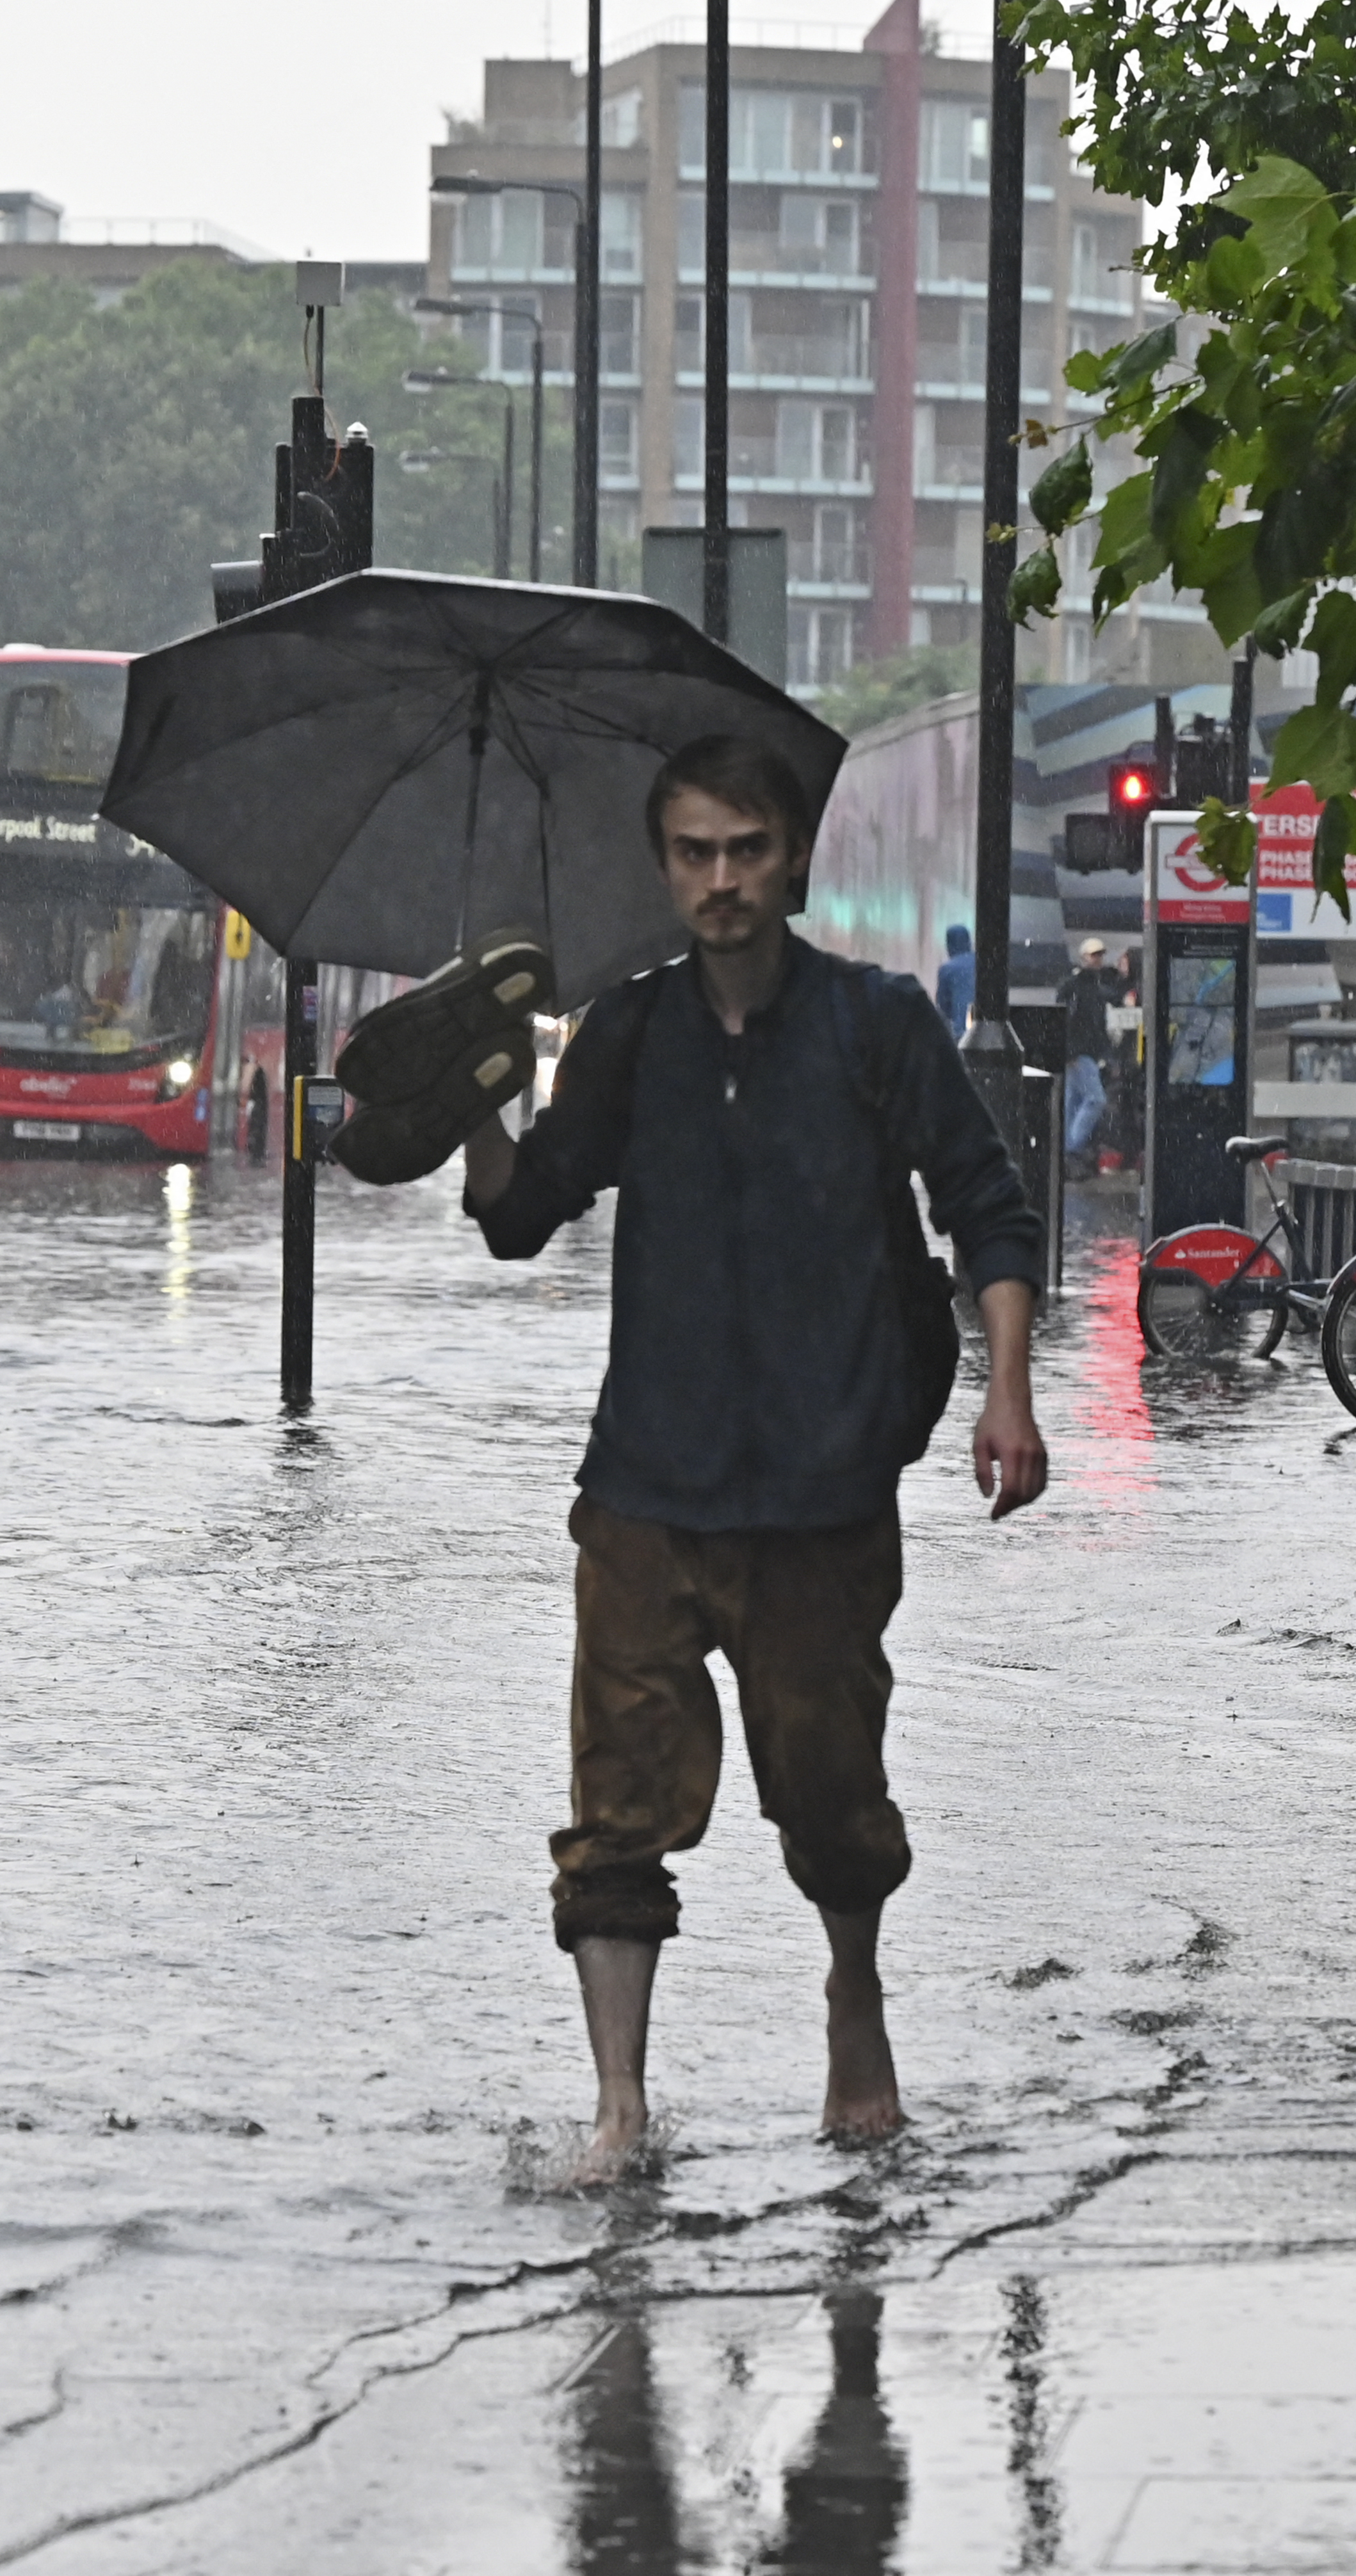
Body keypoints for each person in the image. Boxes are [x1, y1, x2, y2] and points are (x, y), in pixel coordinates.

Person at [460, 732, 1051, 2186]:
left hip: (822, 1494)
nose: (719, 881)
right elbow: (523, 1214)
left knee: (834, 1798)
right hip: (647, 1492)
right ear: (662, 866)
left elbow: (990, 1205)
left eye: (744, 851)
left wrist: (1010, 1393)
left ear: (790, 858)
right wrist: (459, 1098)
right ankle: (620, 2109)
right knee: (613, 1813)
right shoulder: (630, 1034)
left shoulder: (878, 1025)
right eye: (692, 853)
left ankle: (855, 1989)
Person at [1058, 938, 1114, 1168]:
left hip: (1081, 1052)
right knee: (1095, 1099)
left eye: (1100, 954)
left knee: (1074, 1102)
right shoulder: (1081, 987)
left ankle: (1066, 1151)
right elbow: (1071, 1021)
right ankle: (1073, 1147)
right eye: (1094, 955)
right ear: (1084, 957)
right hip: (1081, 1052)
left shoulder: (1087, 986)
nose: (1098, 959)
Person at [932, 921, 975, 1043]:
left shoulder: (948, 969)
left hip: (961, 1032)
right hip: (982, 1030)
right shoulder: (981, 962)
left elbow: (943, 1006)